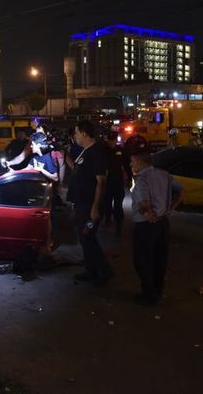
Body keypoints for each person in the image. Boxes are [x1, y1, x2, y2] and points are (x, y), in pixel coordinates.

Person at [130, 151, 183, 305]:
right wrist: (170, 209)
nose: (131, 164)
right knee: (160, 259)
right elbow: (181, 190)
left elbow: (143, 204)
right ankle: (157, 291)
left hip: (146, 225)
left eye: (132, 161)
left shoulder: (141, 179)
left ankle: (148, 295)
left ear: (140, 161)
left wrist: (150, 214)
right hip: (163, 223)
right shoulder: (164, 174)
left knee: (142, 260)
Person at [66, 120, 113, 285]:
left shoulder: (96, 152)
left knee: (88, 237)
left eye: (77, 133)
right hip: (81, 203)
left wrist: (95, 208)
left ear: (84, 134)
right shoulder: (85, 152)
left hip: (89, 205)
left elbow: (101, 181)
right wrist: (66, 157)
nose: (75, 136)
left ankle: (104, 271)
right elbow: (79, 171)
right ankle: (91, 270)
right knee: (84, 238)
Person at [104, 133, 125, 236]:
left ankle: (119, 226)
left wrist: (128, 176)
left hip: (118, 180)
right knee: (107, 202)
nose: (112, 143)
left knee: (118, 203)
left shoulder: (120, 149)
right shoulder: (103, 150)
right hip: (107, 181)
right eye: (110, 141)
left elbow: (124, 163)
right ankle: (107, 219)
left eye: (114, 140)